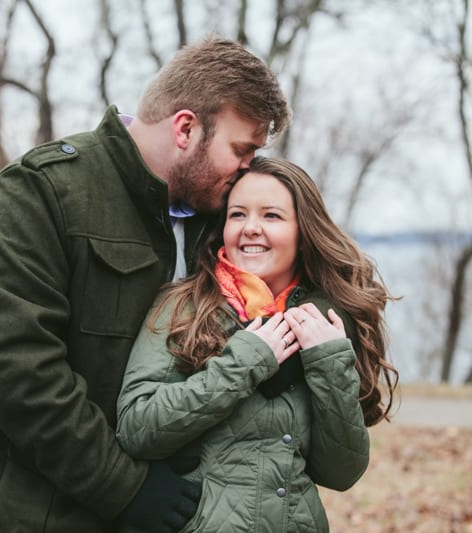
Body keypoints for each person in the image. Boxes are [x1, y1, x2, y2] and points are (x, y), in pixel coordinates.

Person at [0, 37, 290, 533]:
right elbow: (13, 367)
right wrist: (125, 488)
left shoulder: (220, 222)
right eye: (241, 149)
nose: (248, 168)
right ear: (186, 128)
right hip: (28, 511)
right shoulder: (43, 191)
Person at [116, 156, 399, 533]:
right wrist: (246, 361)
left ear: (304, 231)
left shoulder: (323, 323)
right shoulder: (184, 306)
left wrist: (328, 361)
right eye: (237, 215)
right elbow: (136, 428)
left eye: (271, 216)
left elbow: (341, 473)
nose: (250, 228)